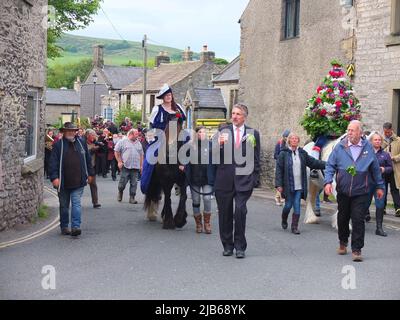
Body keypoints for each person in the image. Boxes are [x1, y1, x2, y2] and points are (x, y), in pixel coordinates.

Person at [324, 120, 385, 262]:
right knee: (343, 218)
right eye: (348, 129)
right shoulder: (340, 147)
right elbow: (330, 165)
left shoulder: (368, 148)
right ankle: (343, 242)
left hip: (361, 191)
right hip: (343, 191)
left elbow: (375, 169)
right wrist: (327, 182)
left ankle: (357, 249)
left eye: (352, 130)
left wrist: (380, 186)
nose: (349, 132)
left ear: (360, 132)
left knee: (358, 219)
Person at [214, 104, 260, 259]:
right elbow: (212, 156)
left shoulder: (253, 133)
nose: (234, 116)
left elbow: (256, 158)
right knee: (225, 214)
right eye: (233, 113)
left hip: (244, 180)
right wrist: (218, 145)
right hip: (224, 179)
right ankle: (227, 245)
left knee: (240, 211)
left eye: (238, 114)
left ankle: (240, 246)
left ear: (244, 116)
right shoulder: (222, 131)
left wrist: (255, 179)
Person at [49, 122, 94, 237]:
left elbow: (88, 159)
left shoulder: (81, 142)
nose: (71, 133)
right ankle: (64, 226)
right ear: (64, 132)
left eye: (73, 131)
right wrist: (54, 178)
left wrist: (90, 174)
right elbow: (53, 162)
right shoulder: (58, 145)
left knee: (76, 203)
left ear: (75, 132)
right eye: (68, 131)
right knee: (64, 206)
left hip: (78, 181)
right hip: (63, 182)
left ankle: (75, 227)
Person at [140, 84, 187, 196]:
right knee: (151, 156)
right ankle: (148, 180)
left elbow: (183, 122)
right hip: (161, 136)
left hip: (178, 135)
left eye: (170, 95)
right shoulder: (157, 108)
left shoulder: (178, 107)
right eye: (166, 95)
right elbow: (151, 125)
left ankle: (185, 180)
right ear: (162, 97)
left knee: (190, 151)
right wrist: (151, 137)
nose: (168, 97)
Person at [275, 133, 326, 234]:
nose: (294, 140)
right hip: (288, 185)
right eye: (292, 139)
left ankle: (294, 227)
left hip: (299, 185)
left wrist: (328, 164)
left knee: (297, 206)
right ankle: (284, 219)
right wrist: (279, 185)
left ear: (298, 141)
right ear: (289, 141)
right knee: (288, 206)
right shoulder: (283, 154)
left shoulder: (302, 153)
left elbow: (313, 162)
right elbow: (279, 170)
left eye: (296, 139)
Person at [185, 126, 215, 234]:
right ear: (196, 134)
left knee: (207, 198)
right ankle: (198, 223)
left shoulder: (211, 145)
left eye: (204, 132)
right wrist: (183, 165)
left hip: (207, 178)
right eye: (200, 132)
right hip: (194, 177)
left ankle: (207, 222)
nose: (203, 134)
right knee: (196, 201)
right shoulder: (190, 146)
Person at [366, 132, 392, 236]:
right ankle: (358, 225)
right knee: (363, 204)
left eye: (379, 140)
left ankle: (379, 228)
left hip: (380, 184)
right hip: (367, 182)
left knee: (380, 205)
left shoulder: (385, 154)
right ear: (371, 141)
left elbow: (390, 168)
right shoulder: (366, 153)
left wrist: (384, 169)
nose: (378, 141)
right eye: (375, 140)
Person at [114, 129, 144, 204]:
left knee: (134, 183)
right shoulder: (122, 141)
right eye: (136, 134)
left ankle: (132, 198)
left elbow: (141, 155)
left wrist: (141, 166)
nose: (138, 136)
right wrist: (119, 162)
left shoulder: (138, 143)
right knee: (122, 184)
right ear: (131, 134)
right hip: (125, 166)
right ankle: (120, 192)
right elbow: (116, 151)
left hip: (135, 167)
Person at [382, 122, 400, 217]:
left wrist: (393, 158)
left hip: (394, 168)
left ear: (391, 130)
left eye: (388, 132)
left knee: (394, 189)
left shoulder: (398, 140)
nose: (387, 134)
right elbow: (378, 151)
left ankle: (398, 208)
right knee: (383, 189)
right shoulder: (381, 140)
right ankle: (382, 208)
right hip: (384, 169)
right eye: (385, 132)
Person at [84, 129, 101, 209]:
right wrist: (92, 150)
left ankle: (95, 202)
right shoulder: (82, 143)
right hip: (83, 167)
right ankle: (74, 201)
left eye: (95, 135)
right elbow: (84, 153)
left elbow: (104, 151)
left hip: (92, 167)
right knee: (78, 186)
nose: (94, 137)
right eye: (93, 135)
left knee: (93, 184)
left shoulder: (95, 143)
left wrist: (101, 145)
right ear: (87, 136)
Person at [273, 129, 290, 206]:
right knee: (280, 181)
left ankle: (279, 197)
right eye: (286, 137)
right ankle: (278, 198)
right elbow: (275, 155)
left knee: (284, 182)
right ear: (284, 137)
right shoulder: (279, 144)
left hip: (286, 166)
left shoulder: (288, 144)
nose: (287, 138)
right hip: (280, 165)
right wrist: (281, 158)